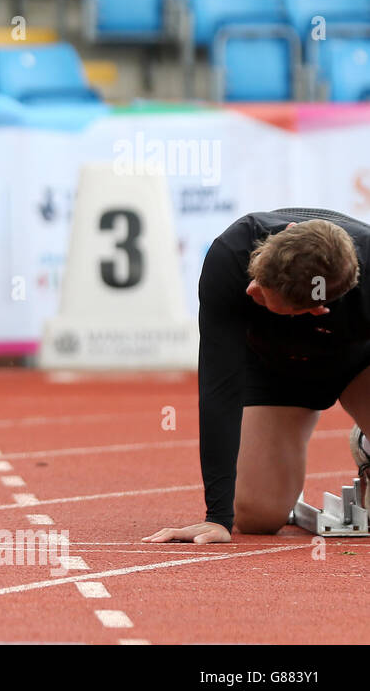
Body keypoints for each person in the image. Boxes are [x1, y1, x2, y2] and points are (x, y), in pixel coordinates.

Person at [144, 209, 370, 545]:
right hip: (276, 369)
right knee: (257, 515)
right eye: (257, 275)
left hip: (358, 361)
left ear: (313, 309)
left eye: (264, 297)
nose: (250, 289)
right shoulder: (232, 255)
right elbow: (220, 387)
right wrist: (217, 517)